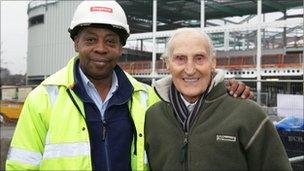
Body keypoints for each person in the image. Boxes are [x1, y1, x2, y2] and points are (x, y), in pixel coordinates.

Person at [6, 1, 252, 170]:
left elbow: (192, 102)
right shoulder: (43, 99)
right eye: (91, 39)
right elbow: (21, 165)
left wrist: (226, 88)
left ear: (120, 48)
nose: (101, 48)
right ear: (76, 43)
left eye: (110, 41)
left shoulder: (146, 98)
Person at [144, 28, 292, 170]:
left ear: (213, 62)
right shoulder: (153, 117)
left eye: (199, 58)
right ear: (167, 64)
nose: (190, 69)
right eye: (180, 58)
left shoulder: (249, 114)